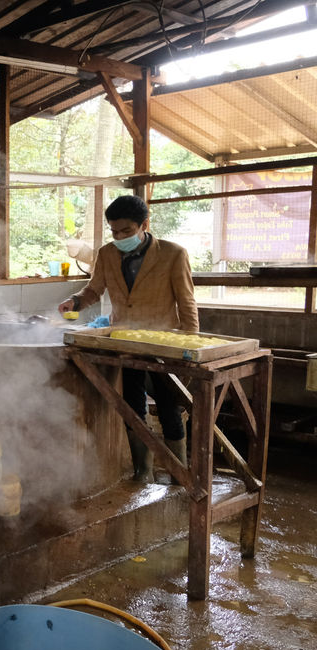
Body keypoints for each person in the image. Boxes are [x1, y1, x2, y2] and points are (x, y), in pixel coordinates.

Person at [58, 195, 199, 483]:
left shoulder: (174, 254)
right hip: (123, 342)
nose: (119, 237)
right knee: (132, 406)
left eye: (126, 231)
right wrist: (73, 301)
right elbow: (93, 290)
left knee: (169, 407)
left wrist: (190, 348)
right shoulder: (107, 254)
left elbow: (187, 303)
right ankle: (142, 472)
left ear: (144, 224)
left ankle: (177, 473)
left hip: (164, 343)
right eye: (114, 231)